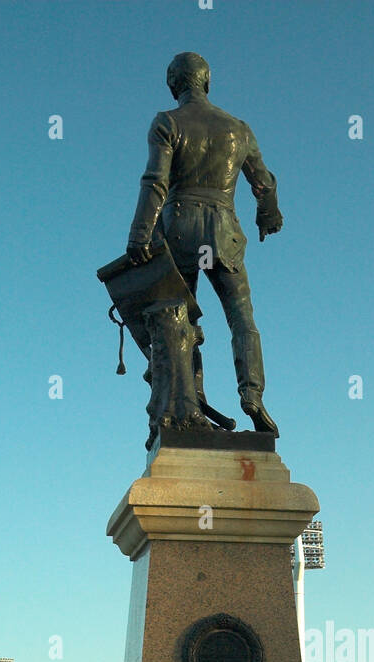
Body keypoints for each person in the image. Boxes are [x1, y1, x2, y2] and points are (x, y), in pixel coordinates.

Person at [127, 52, 283, 435]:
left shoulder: (167, 122)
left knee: (180, 320)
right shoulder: (239, 129)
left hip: (180, 230)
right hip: (223, 231)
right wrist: (269, 214)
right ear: (207, 82)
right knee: (242, 318)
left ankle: (190, 403)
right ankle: (253, 395)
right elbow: (264, 183)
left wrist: (139, 235)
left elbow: (156, 183)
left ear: (172, 84)